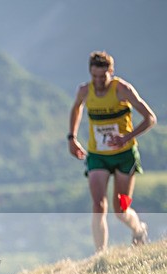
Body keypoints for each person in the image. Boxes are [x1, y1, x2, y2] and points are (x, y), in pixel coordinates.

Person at [68, 50, 157, 252]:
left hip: (125, 156)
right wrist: (72, 138)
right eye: (94, 76)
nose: (99, 81)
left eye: (103, 76)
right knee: (98, 205)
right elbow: (76, 109)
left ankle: (138, 229)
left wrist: (126, 137)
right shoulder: (85, 90)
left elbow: (150, 118)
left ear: (111, 71)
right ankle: (101, 256)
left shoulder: (122, 89)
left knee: (121, 208)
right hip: (98, 156)